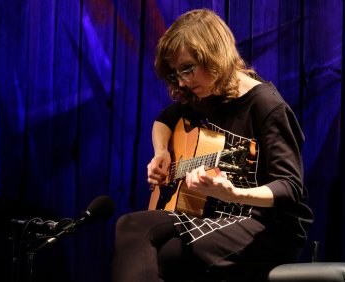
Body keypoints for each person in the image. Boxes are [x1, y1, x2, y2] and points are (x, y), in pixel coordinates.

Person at [112, 8, 313, 282]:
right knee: (132, 226)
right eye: (175, 74)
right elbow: (164, 120)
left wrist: (235, 195)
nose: (182, 81)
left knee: (159, 249)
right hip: (216, 218)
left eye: (187, 69)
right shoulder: (203, 95)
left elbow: (289, 186)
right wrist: (161, 153)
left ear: (213, 56)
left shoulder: (266, 105)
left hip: (267, 228)